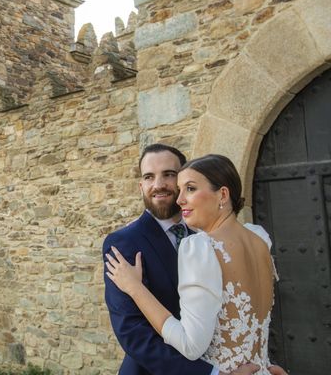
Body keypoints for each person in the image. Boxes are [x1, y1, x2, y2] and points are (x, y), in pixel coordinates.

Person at [102, 145, 285, 375]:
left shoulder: (202, 238)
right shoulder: (123, 243)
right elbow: (132, 332)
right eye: (149, 177)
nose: (159, 185)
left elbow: (243, 315)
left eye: (169, 175)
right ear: (141, 186)